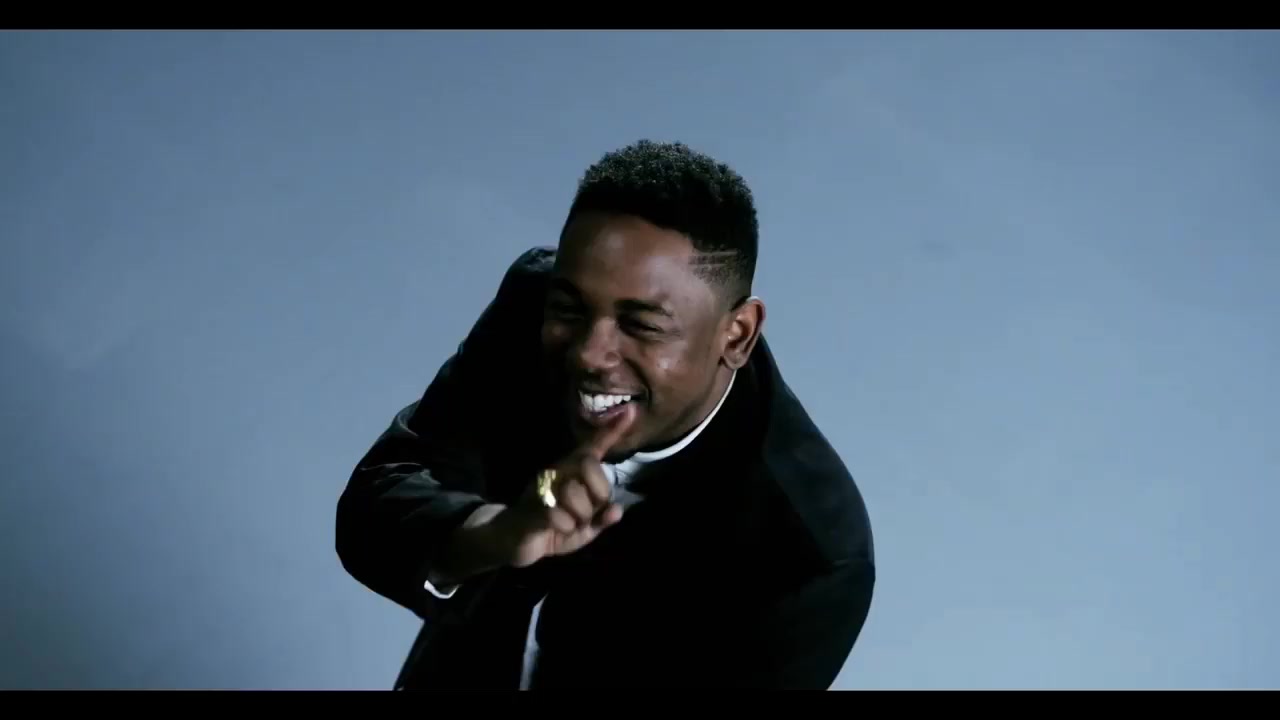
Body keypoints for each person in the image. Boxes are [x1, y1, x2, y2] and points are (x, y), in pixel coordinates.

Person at [335, 139, 876, 690]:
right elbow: (374, 504)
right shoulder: (531, 305)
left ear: (736, 335)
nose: (590, 355)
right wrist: (495, 532)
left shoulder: (812, 559)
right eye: (569, 309)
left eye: (641, 325)